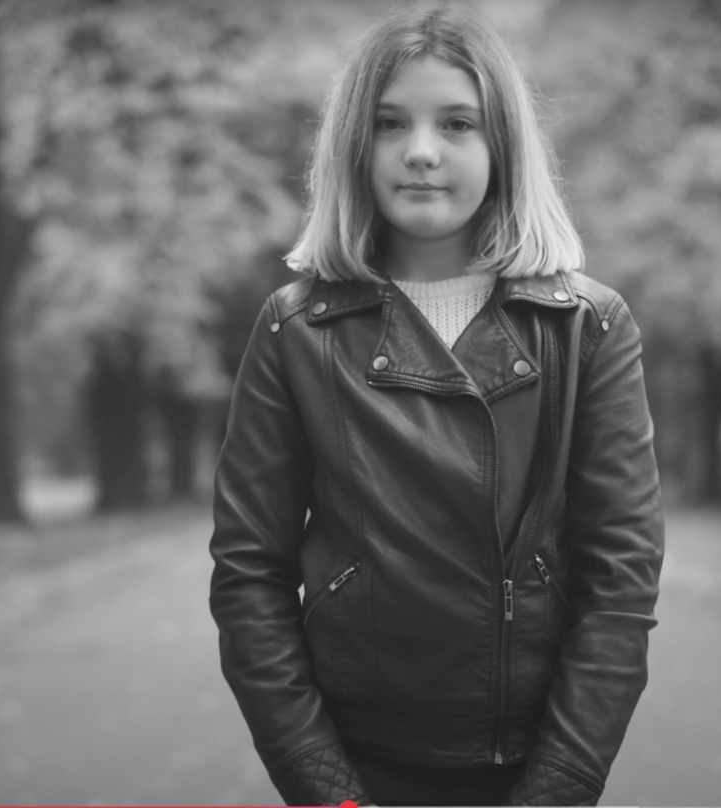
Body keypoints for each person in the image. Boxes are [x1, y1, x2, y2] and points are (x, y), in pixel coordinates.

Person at [209, 4, 665, 806]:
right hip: (358, 762)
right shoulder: (295, 328)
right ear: (356, 144)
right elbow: (250, 577)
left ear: (503, 146)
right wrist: (329, 794)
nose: (420, 153)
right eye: (391, 124)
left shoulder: (588, 327)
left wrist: (558, 788)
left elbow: (621, 584)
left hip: (530, 760)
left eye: (458, 123)